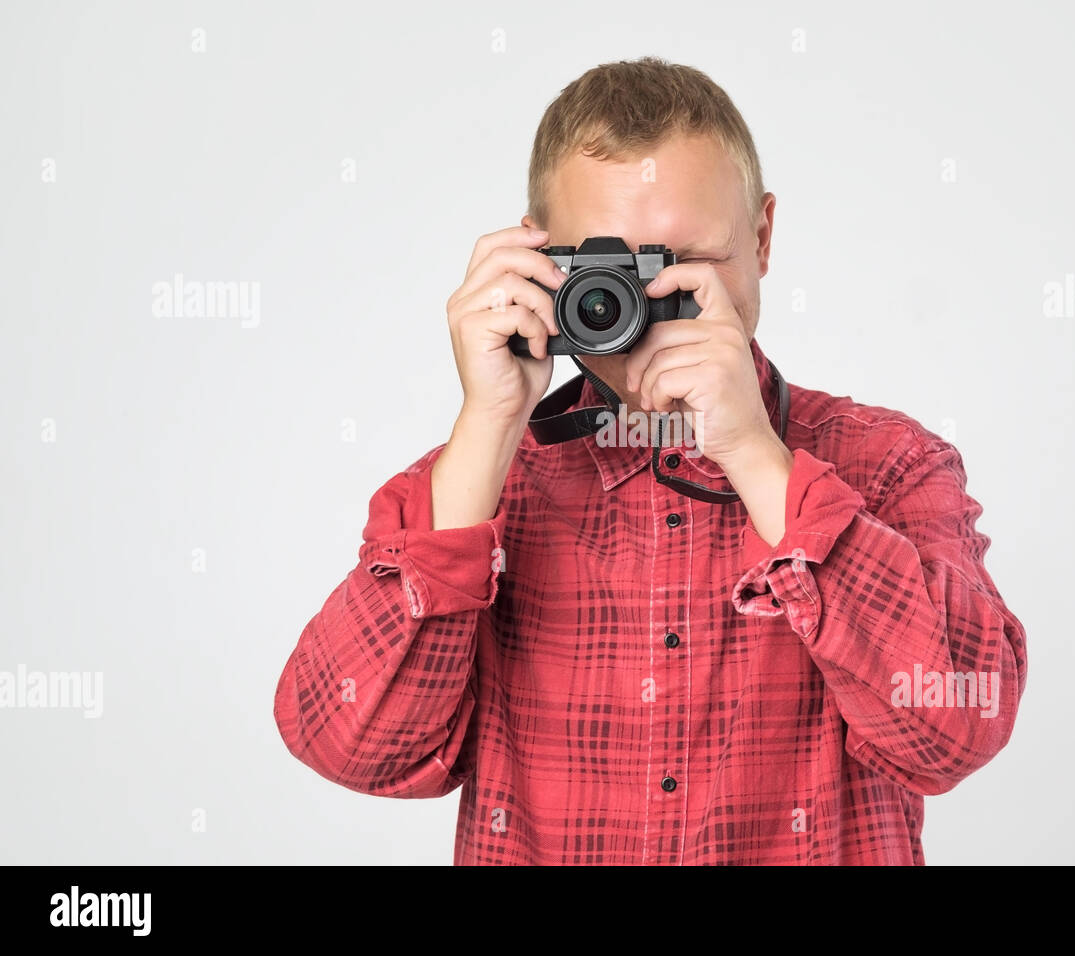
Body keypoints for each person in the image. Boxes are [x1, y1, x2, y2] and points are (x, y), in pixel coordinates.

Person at [273, 55, 1028, 865]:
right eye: (611, 274)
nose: (648, 305)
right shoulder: (480, 483)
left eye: (687, 263)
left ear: (763, 238)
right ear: (540, 265)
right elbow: (347, 745)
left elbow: (954, 730)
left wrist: (751, 453)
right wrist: (491, 422)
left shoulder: (888, 464)